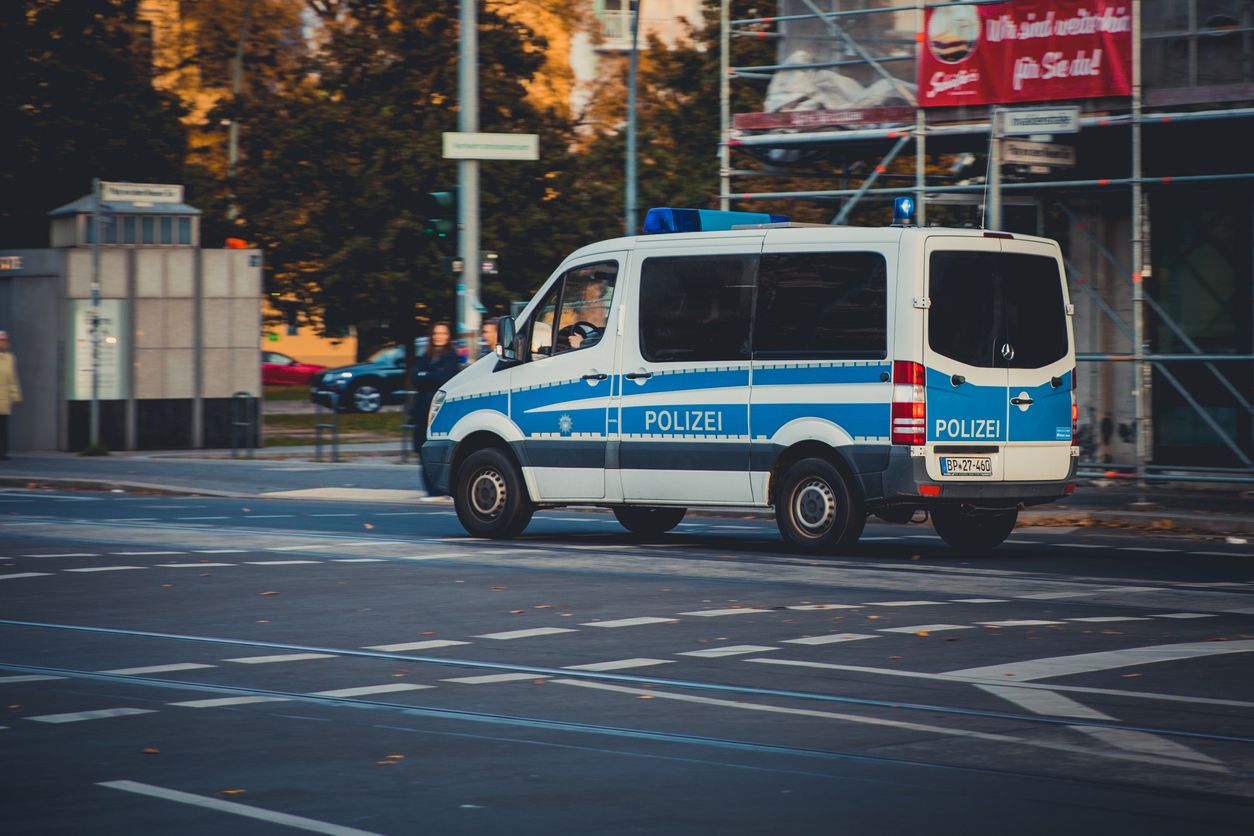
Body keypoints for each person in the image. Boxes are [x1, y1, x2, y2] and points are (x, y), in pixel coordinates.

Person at [410, 322, 460, 454]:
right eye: (436, 333)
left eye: (443, 333)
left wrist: (426, 375)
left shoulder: (451, 356)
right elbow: (415, 377)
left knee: (436, 452)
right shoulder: (426, 356)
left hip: (439, 409)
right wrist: (430, 375)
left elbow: (442, 378)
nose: (439, 336)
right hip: (422, 410)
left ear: (448, 336)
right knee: (421, 450)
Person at [0, 331, 20, 461]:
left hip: (4, 399)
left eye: (5, 341)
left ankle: (2, 452)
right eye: (2, 341)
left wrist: (15, 395)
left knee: (3, 427)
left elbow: (13, 378)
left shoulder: (10, 358)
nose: (4, 343)